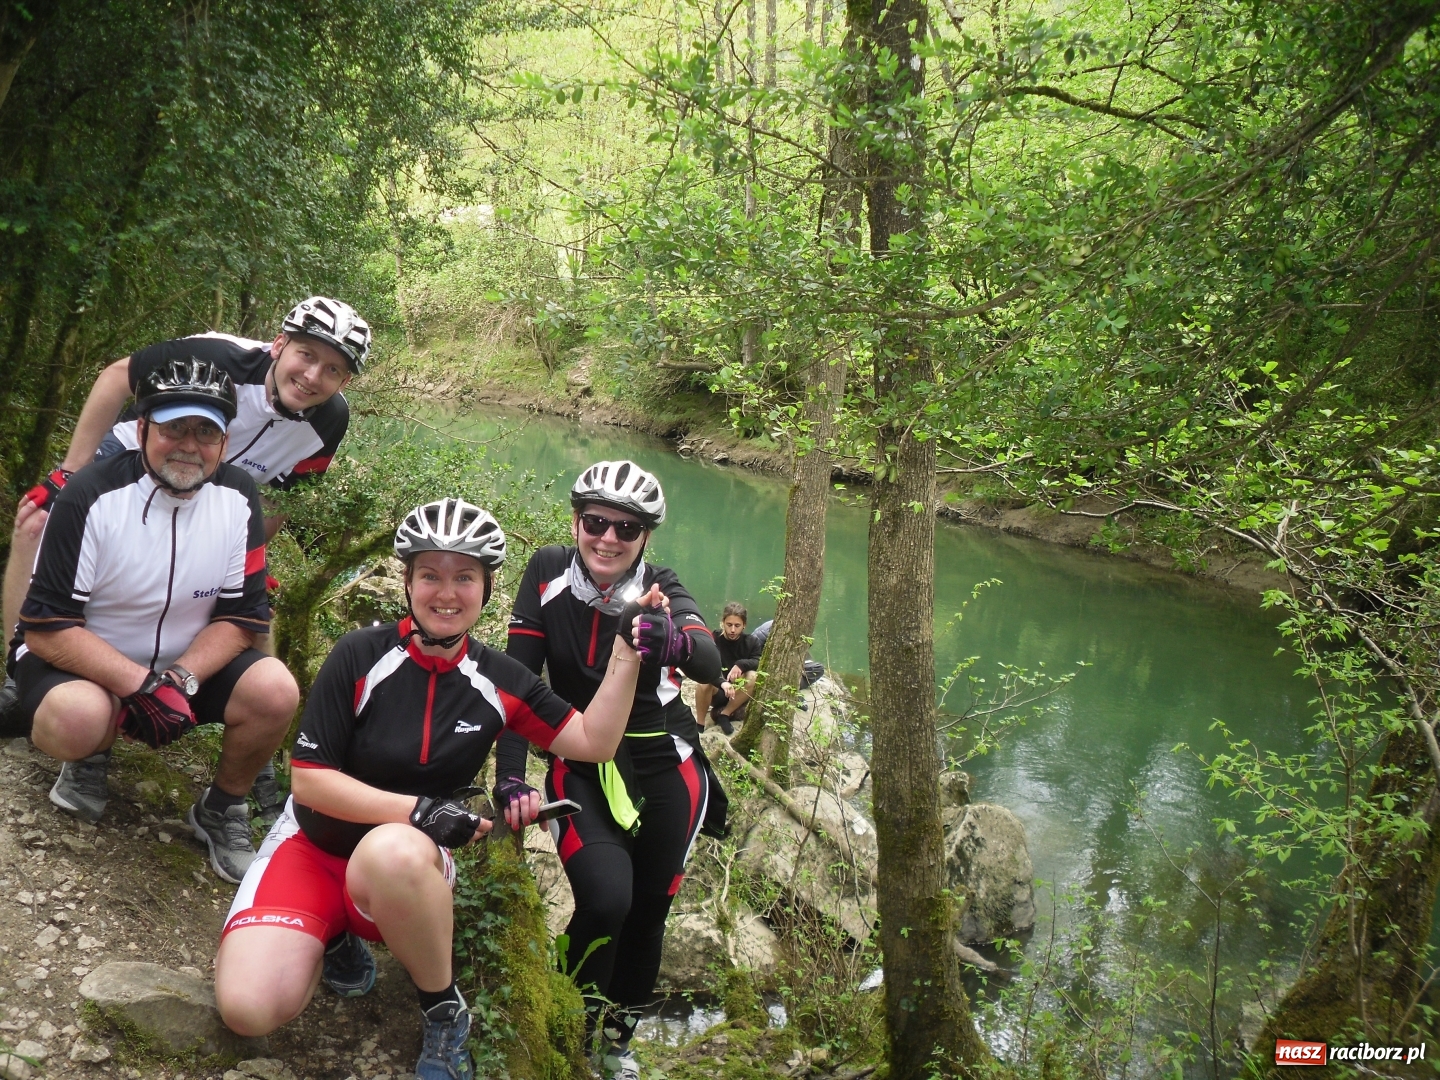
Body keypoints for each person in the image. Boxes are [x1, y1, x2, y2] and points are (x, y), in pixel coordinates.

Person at [214, 498, 662, 1080]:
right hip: (311, 847)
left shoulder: (499, 679)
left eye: (464, 577)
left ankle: (443, 1008)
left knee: (392, 848)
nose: (445, 593)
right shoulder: (360, 654)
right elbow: (310, 782)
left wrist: (626, 656)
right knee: (248, 1010)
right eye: (430, 575)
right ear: (407, 581)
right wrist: (421, 810)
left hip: (402, 867)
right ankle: (336, 932)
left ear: (487, 588)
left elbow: (593, 742)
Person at [2, 296, 370, 825]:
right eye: (305, 355)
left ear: (345, 382)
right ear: (279, 344)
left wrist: (248, 553)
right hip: (140, 452)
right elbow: (113, 378)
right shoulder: (221, 358)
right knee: (40, 526)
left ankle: (249, 763)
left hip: (223, 487)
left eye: (332, 370)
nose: (313, 375)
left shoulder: (329, 420)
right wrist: (71, 473)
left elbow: (287, 496)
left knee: (250, 601)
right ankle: (27, 675)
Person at [13, 357, 300, 883]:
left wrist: (178, 678)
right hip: (82, 660)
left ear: (225, 444)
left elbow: (241, 619)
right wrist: (137, 685)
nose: (189, 445)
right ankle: (88, 757)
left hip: (179, 665)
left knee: (275, 689)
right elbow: (46, 627)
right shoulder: (91, 494)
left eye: (206, 431)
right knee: (78, 718)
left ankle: (221, 808)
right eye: (173, 428)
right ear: (142, 430)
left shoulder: (240, 499)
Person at [494, 459, 725, 1080]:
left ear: (645, 538)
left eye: (627, 528)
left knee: (648, 915)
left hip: (667, 771)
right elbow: (518, 683)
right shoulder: (545, 573)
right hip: (582, 764)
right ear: (576, 521)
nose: (609, 538)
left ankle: (615, 1040)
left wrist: (672, 640)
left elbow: (708, 658)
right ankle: (564, 1016)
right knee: (604, 899)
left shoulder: (661, 588)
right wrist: (510, 778)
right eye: (596, 522)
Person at [694, 601, 762, 735]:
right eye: (729, 625)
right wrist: (722, 683)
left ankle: (725, 714)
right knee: (703, 682)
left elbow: (758, 661)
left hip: (738, 692)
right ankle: (699, 724)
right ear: (723, 622)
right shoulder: (713, 639)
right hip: (716, 689)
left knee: (754, 676)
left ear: (744, 625)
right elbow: (705, 665)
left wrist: (741, 664)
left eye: (737, 626)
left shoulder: (751, 642)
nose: (732, 630)